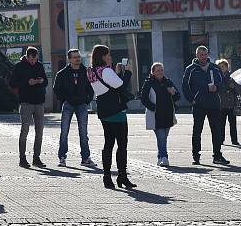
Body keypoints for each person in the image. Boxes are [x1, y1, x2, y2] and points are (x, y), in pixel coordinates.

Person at [87, 44, 136, 189]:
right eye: (108, 55)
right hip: (116, 111)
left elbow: (110, 85)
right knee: (122, 144)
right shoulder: (106, 71)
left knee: (108, 143)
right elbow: (121, 85)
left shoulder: (91, 71)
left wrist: (117, 73)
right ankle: (122, 176)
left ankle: (107, 177)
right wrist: (128, 72)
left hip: (103, 110)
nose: (110, 57)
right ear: (102, 56)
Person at [182, 46, 228, 166]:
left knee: (216, 130)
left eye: (205, 54)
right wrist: (192, 99)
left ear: (208, 54)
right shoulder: (190, 69)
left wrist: (216, 88)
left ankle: (217, 155)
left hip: (213, 104)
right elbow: (185, 86)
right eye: (201, 54)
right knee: (197, 130)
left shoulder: (215, 68)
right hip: (199, 105)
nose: (203, 57)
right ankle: (196, 155)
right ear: (197, 55)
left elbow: (223, 84)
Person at [53, 48, 95, 167]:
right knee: (64, 132)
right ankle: (62, 157)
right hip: (68, 104)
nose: (77, 59)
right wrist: (64, 99)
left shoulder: (86, 71)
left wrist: (87, 100)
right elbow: (56, 89)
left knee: (83, 132)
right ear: (69, 59)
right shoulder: (62, 73)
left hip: (82, 104)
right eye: (75, 57)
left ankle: (85, 158)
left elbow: (91, 87)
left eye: (78, 56)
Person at [9, 46, 48, 168]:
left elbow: (46, 81)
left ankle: (36, 158)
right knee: (24, 131)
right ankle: (22, 158)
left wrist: (41, 81)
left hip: (39, 103)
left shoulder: (39, 65)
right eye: (31, 59)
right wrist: (27, 82)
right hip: (26, 102)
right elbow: (12, 83)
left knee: (40, 132)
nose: (33, 62)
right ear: (26, 56)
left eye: (35, 59)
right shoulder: (19, 66)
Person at [140, 62, 180, 166]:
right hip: (156, 115)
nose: (160, 72)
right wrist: (154, 108)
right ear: (152, 72)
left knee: (163, 137)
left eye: (161, 70)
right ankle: (164, 157)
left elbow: (177, 97)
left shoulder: (168, 82)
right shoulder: (148, 83)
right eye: (157, 70)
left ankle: (160, 157)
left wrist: (173, 93)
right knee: (161, 137)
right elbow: (144, 99)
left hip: (167, 114)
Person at [216, 59, 240, 146]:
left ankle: (234, 140)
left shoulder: (231, 78)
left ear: (227, 67)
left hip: (231, 104)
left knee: (233, 124)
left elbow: (237, 89)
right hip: (221, 104)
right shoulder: (217, 78)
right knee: (221, 124)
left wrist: (233, 87)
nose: (221, 68)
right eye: (220, 67)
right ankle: (221, 139)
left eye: (223, 66)